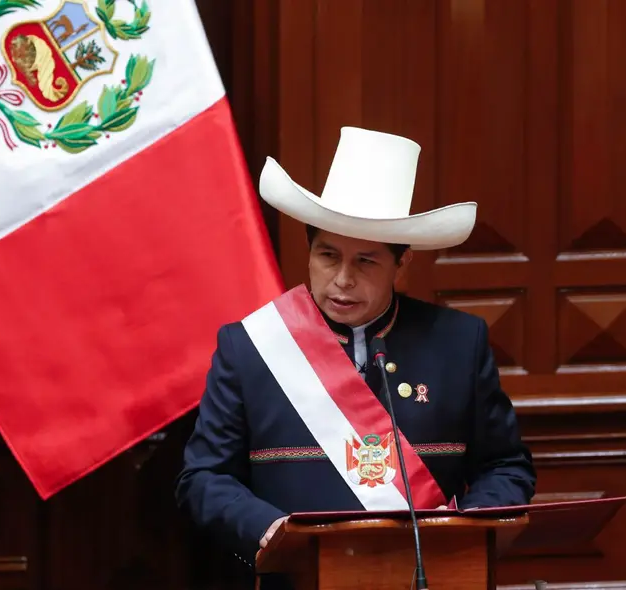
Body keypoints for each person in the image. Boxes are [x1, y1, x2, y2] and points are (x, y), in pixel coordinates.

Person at [174, 127, 535, 588]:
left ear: (401, 265)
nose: (342, 279)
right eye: (328, 255)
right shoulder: (250, 347)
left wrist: (466, 529)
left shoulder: (458, 343)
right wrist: (272, 532)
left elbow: (505, 466)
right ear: (308, 252)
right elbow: (204, 478)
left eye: (365, 261)